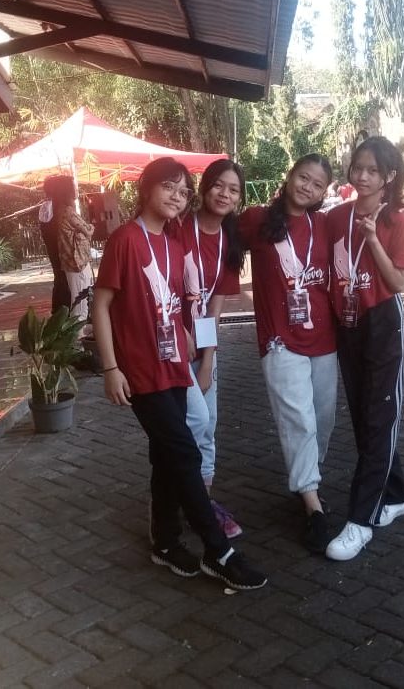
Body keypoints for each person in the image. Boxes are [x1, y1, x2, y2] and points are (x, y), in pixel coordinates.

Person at [93, 158, 266, 591]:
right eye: (168, 187)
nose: (177, 196)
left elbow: (180, 302)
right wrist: (111, 367)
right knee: (184, 451)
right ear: (146, 188)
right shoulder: (125, 240)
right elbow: (102, 305)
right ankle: (218, 551)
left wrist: (194, 342)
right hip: (141, 369)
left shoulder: (173, 243)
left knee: (166, 453)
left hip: (174, 364)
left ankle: (166, 541)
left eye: (183, 190)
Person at [238, 154, 337, 554]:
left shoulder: (324, 224)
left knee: (323, 420)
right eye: (303, 177)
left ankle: (307, 477)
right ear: (290, 175)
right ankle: (312, 505)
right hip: (280, 340)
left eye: (317, 184)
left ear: (323, 192)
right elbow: (212, 236)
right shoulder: (257, 219)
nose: (307, 187)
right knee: (299, 419)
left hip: (324, 339)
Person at [324, 136, 404, 561]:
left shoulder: (398, 220)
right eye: (357, 167)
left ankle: (361, 520)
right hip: (348, 323)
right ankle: (396, 495)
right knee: (363, 416)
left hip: (382, 321)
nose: (361, 176)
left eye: (372, 170)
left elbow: (397, 283)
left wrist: (373, 238)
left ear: (388, 176)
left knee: (380, 416)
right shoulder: (334, 216)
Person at [171, 159, 245, 539]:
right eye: (219, 185)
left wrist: (208, 359)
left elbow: (214, 306)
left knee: (208, 423)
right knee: (193, 422)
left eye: (233, 190)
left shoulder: (229, 240)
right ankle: (178, 503)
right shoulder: (178, 227)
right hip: (168, 344)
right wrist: (182, 335)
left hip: (201, 346)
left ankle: (203, 504)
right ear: (204, 187)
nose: (224, 194)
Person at [56, 183, 95, 327]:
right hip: (77, 262)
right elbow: (88, 231)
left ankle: (78, 333)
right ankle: (78, 335)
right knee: (81, 303)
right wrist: (91, 226)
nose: (76, 190)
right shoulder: (68, 212)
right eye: (73, 187)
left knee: (79, 301)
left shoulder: (60, 211)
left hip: (71, 262)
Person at [38, 175, 71, 313]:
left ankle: (59, 314)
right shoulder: (62, 212)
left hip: (58, 262)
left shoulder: (47, 208)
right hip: (67, 261)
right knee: (64, 281)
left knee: (60, 279)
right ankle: (64, 314)